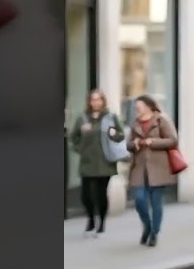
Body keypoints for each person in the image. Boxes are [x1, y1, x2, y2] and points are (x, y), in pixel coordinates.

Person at [71, 88, 125, 236]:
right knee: (85, 196)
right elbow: (73, 138)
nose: (96, 102)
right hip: (87, 163)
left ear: (103, 101)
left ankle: (101, 223)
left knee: (101, 195)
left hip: (104, 162)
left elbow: (121, 136)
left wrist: (113, 132)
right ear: (89, 102)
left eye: (98, 99)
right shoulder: (82, 118)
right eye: (93, 99)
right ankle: (90, 219)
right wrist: (80, 148)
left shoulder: (110, 117)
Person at [126, 95, 177, 247]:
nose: (137, 110)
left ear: (148, 106)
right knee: (139, 200)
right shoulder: (135, 123)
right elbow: (128, 144)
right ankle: (147, 225)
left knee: (156, 203)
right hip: (139, 167)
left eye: (139, 107)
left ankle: (154, 233)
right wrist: (133, 144)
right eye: (136, 108)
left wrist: (152, 142)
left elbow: (173, 140)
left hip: (158, 167)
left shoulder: (161, 120)